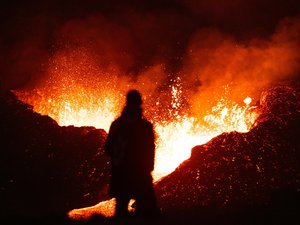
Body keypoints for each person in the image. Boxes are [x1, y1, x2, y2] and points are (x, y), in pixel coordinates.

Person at [105, 89, 159, 218]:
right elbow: (150, 150)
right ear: (140, 103)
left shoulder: (117, 125)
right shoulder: (145, 127)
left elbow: (108, 148)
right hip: (140, 175)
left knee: (121, 211)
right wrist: (148, 169)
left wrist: (117, 161)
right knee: (148, 213)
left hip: (121, 174)